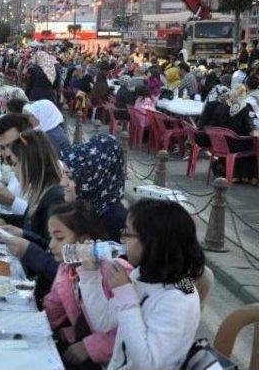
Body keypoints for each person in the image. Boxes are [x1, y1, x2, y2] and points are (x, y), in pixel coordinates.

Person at [78, 199, 205, 369]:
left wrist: (125, 295)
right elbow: (103, 322)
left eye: (128, 234)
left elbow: (148, 364)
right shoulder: (145, 274)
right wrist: (90, 274)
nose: (122, 240)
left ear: (152, 242)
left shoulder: (179, 298)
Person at [44, 201, 132, 369]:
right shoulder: (68, 269)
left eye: (59, 238)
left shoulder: (116, 272)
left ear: (84, 240)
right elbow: (53, 309)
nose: (51, 245)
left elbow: (128, 330)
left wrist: (89, 346)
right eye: (51, 237)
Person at [0, 130, 65, 303]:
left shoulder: (55, 199)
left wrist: (27, 248)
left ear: (29, 164)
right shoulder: (41, 192)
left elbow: (55, 257)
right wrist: (0, 220)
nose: (13, 170)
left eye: (15, 164)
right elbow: (31, 224)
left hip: (45, 295)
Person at [60, 134, 127, 241]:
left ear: (94, 177)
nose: (63, 183)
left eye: (71, 177)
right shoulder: (83, 208)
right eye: (64, 174)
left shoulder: (115, 221)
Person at [5, 98, 70, 153]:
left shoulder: (51, 137)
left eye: (33, 115)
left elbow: (36, 158)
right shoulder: (52, 129)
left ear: (44, 116)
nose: (30, 119)